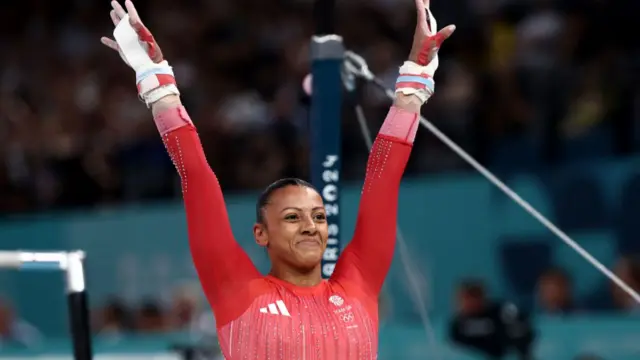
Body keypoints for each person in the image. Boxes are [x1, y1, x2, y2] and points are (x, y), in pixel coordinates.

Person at [101, 0, 455, 358]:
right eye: (292, 217)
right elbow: (196, 174)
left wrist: (415, 80)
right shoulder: (236, 289)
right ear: (261, 234)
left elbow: (384, 179)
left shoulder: (358, 285)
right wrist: (155, 80)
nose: (309, 226)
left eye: (318, 216)